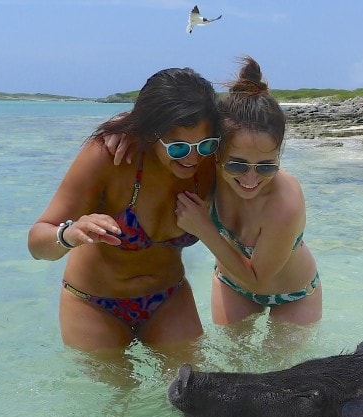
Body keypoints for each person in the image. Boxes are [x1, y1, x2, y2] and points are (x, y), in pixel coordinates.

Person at [28, 67, 220, 352]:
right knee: (116, 397)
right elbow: (36, 242)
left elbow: (256, 142)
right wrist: (69, 234)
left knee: (193, 390)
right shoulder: (110, 157)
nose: (193, 157)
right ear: (150, 132)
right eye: (178, 147)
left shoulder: (211, 158)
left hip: (169, 297)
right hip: (93, 303)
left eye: (204, 144)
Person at [162, 56, 322, 326]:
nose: (251, 178)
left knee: (283, 370)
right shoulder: (204, 173)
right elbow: (160, 142)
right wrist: (121, 134)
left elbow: (258, 281)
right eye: (237, 165)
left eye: (266, 167)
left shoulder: (285, 203)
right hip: (231, 284)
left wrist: (203, 228)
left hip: (294, 295)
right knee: (228, 366)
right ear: (216, 153)